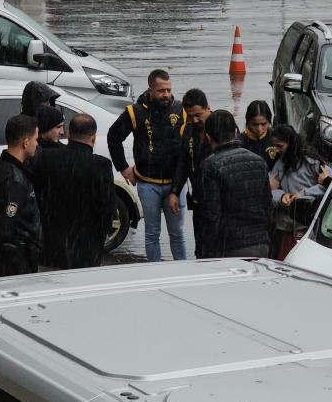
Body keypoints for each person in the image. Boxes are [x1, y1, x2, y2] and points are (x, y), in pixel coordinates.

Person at [107, 69, 188, 261]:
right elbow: (113, 137)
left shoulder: (181, 110)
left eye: (168, 90)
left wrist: (180, 185)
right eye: (161, 91)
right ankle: (156, 274)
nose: (166, 94)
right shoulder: (135, 112)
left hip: (175, 184)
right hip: (147, 183)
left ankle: (184, 273)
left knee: (177, 234)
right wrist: (123, 168)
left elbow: (188, 149)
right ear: (150, 90)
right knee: (152, 234)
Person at [36, 114, 116, 270]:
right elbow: (107, 207)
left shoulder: (47, 158)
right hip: (86, 248)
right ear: (93, 138)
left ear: (69, 134)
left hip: (51, 247)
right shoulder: (101, 165)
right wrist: (101, 233)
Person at [0, 114, 42, 278]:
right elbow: (5, 224)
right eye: (35, 139)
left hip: (6, 256)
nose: (37, 144)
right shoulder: (14, 180)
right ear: (25, 142)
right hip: (14, 260)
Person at [200, 110, 271, 258]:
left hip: (229, 247)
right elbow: (267, 205)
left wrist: (206, 250)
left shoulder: (211, 165)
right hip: (260, 244)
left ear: (208, 137)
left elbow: (212, 215)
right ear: (235, 131)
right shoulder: (259, 161)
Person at [269, 124, 327, 260]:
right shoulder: (279, 164)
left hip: (308, 225)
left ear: (291, 144)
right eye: (274, 146)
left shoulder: (311, 161)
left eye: (280, 146)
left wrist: (302, 195)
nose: (277, 150)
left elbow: (328, 185)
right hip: (286, 226)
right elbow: (269, 190)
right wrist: (281, 196)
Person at [170, 89, 212, 258]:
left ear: (208, 108)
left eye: (198, 115)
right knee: (200, 248)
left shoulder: (223, 126)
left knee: (216, 248)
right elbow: (183, 163)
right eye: (190, 116)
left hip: (220, 200)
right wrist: (174, 191)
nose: (195, 120)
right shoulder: (188, 130)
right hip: (198, 199)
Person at [239, 100, 278, 170]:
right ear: (248, 122)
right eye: (254, 124)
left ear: (269, 122)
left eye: (263, 124)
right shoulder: (239, 143)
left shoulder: (277, 138)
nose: (259, 129)